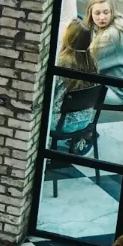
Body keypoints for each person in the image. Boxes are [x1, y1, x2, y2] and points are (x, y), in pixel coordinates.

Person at [50, 19, 100, 154]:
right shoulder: (92, 61)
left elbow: (52, 96)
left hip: (61, 123)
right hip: (85, 120)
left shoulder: (61, 63)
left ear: (68, 37)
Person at [87, 0, 123, 104]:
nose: (102, 17)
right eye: (97, 13)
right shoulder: (121, 24)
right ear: (91, 14)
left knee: (75, 89)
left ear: (112, 12)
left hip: (121, 92)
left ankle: (76, 120)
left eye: (106, 12)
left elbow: (88, 62)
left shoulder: (110, 36)